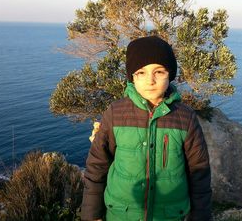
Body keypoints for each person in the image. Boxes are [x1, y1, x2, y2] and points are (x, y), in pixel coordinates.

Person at [81, 36, 212, 221]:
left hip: (170, 216)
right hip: (121, 215)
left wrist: (201, 216)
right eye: (141, 73)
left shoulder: (185, 118)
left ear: (170, 74)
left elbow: (200, 173)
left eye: (159, 72)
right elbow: (97, 166)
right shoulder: (115, 113)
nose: (150, 80)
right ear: (132, 76)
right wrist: (91, 214)